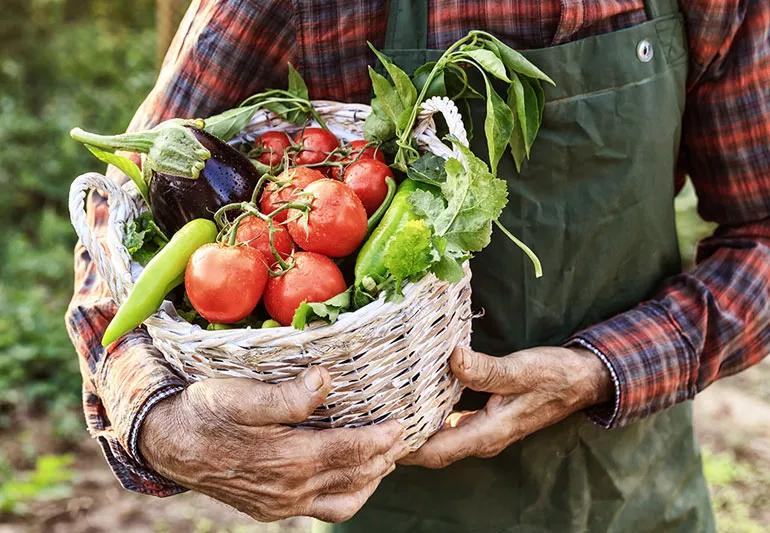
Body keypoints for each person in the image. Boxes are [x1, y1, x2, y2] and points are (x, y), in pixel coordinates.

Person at [66, 0, 770, 530]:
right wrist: (161, 425)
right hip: (394, 503)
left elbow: (761, 235)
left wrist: (604, 367)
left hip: (634, 491)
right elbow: (119, 225)